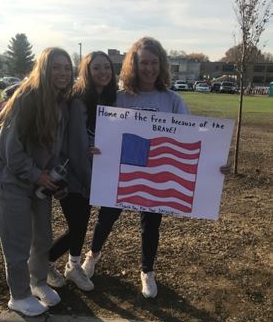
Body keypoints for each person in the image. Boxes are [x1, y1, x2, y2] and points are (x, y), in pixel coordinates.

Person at [81, 37, 230, 298]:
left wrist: (215, 161)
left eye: (153, 62)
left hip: (156, 171)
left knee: (151, 224)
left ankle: (147, 271)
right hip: (125, 167)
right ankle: (92, 255)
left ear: (161, 65)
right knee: (107, 215)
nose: (148, 68)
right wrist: (96, 148)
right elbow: (104, 131)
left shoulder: (171, 99)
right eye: (143, 63)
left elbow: (193, 135)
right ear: (133, 66)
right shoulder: (120, 98)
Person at [0, 47, 72, 317]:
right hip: (11, 181)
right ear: (44, 68)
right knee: (17, 242)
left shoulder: (60, 101)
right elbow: (8, 148)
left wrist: (54, 179)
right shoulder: (27, 98)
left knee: (43, 238)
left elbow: (55, 147)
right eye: (56, 67)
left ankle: (37, 282)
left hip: (40, 185)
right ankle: (19, 295)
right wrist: (37, 174)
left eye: (66, 67)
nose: (62, 72)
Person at [46, 51, 117, 292]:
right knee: (76, 225)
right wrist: (90, 182)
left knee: (81, 223)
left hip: (92, 174)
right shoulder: (79, 101)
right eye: (96, 67)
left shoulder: (108, 99)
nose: (103, 72)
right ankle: (44, 262)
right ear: (86, 70)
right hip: (74, 176)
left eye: (106, 67)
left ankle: (72, 265)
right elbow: (76, 148)